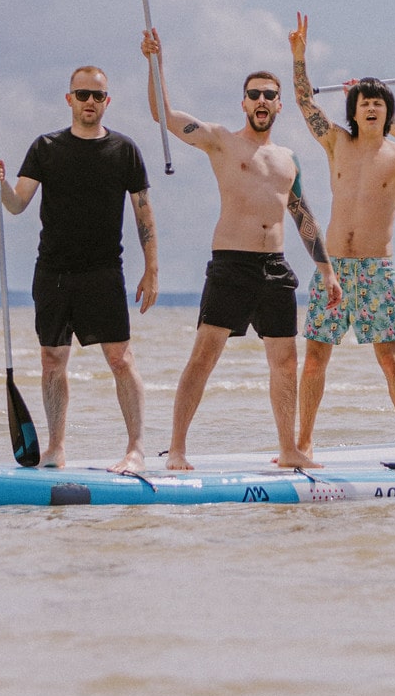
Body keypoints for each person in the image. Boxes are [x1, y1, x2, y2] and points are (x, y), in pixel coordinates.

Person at [141, 26, 340, 471]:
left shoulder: (288, 158)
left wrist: (326, 269)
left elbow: (303, 215)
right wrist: (155, 63)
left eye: (270, 94)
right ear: (244, 102)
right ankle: (177, 449)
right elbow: (163, 114)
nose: (263, 101)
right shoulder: (220, 141)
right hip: (231, 263)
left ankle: (289, 450)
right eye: (255, 94)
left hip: (275, 267)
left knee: (285, 362)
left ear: (279, 104)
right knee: (205, 356)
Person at [0, 64, 157, 473]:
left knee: (120, 359)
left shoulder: (124, 150)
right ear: (69, 100)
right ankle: (56, 448)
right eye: (83, 95)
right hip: (54, 271)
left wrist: (151, 268)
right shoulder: (45, 147)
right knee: (51, 359)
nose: (90, 103)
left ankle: (136, 449)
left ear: (107, 101)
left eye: (97, 96)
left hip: (103, 271)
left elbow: (143, 213)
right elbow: (16, 204)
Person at [288, 13, 395, 467]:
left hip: (375, 269)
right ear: (352, 110)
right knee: (314, 359)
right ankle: (304, 443)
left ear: (389, 111)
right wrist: (299, 57)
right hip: (332, 271)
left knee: (389, 359)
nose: (370, 107)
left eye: (378, 102)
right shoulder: (335, 142)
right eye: (363, 101)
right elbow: (304, 103)